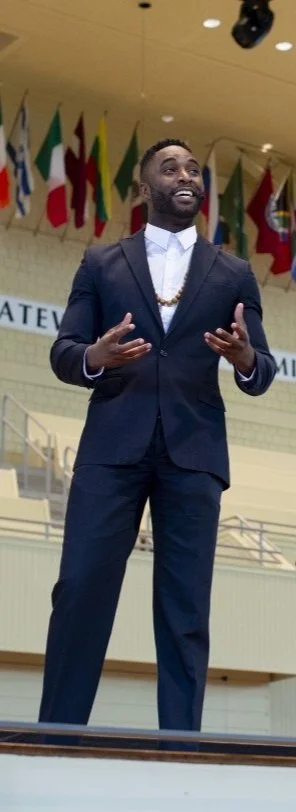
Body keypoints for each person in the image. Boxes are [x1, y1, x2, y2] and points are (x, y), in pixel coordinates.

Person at [39, 138, 276, 738]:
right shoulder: (101, 263)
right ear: (145, 186)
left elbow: (262, 372)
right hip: (111, 449)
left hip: (194, 456)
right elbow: (64, 353)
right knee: (80, 592)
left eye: (194, 169)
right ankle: (57, 737)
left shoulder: (234, 273)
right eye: (171, 168)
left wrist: (247, 357)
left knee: (185, 610)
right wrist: (95, 354)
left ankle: (180, 745)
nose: (186, 175)